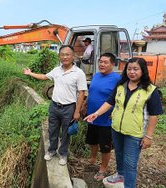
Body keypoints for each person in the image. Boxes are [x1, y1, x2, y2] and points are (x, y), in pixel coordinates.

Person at [84, 57, 163, 187]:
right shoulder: (121, 86)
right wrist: (96, 114)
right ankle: (120, 175)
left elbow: (154, 114)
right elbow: (110, 102)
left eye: (135, 69)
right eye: (129, 69)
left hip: (134, 133)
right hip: (116, 129)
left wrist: (148, 136)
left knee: (130, 163)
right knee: (119, 155)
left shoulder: (150, 90)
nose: (132, 72)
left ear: (143, 71)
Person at [24, 45, 88, 165]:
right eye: (62, 54)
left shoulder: (79, 73)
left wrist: (77, 111)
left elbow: (81, 93)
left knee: (65, 133)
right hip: (54, 106)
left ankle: (63, 154)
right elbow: (44, 76)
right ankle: (51, 150)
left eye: (67, 54)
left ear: (73, 56)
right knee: (52, 130)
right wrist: (30, 73)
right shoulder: (56, 70)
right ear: (59, 56)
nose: (65, 57)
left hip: (69, 107)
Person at [85, 53, 121, 181]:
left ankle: (103, 168)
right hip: (92, 117)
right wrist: (85, 105)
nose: (102, 64)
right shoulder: (95, 76)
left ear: (112, 64)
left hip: (106, 120)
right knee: (92, 141)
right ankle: (93, 159)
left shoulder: (118, 79)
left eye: (106, 62)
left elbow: (120, 98)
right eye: (100, 61)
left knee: (105, 146)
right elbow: (91, 93)